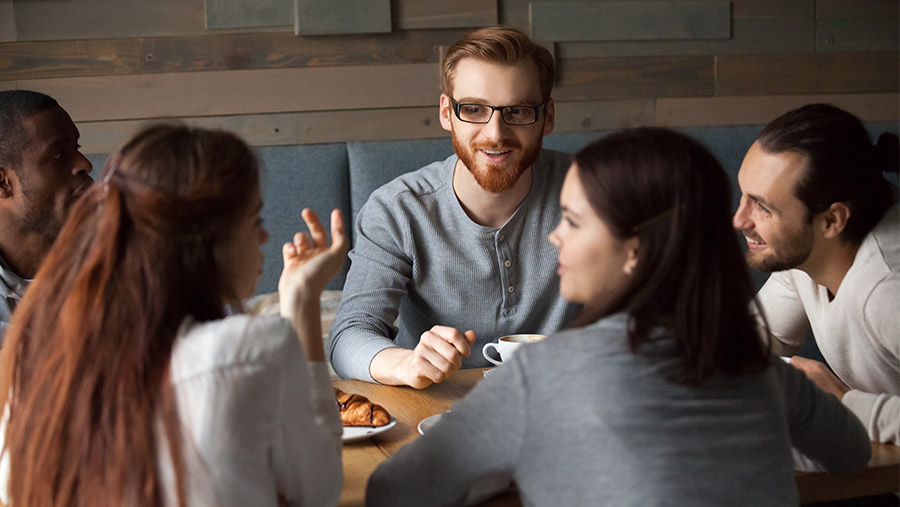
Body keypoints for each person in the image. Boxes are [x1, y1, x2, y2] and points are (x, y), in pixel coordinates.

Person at [366, 128, 871, 506]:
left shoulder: (540, 377)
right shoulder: (756, 365)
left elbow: (394, 490)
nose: (555, 237)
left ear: (636, 251)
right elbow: (851, 454)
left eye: (573, 221)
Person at [0, 125, 347, 506]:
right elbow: (320, 490)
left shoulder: (33, 355)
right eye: (256, 221)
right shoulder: (253, 347)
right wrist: (301, 301)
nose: (264, 238)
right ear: (207, 243)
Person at [329, 26, 579, 388]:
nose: (495, 133)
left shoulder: (593, 192)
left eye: (519, 111)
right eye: (474, 109)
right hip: (438, 414)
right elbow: (349, 336)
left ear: (548, 116)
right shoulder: (397, 210)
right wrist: (405, 364)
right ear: (447, 112)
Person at [732, 103, 899, 444]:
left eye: (763, 207)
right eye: (744, 195)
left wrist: (843, 402)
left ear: (831, 221)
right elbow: (758, 337)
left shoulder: (889, 289)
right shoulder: (808, 252)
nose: (739, 220)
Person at [0, 90, 93, 343]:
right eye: (58, 155)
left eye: (77, 148)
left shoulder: (125, 258)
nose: (85, 164)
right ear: (3, 183)